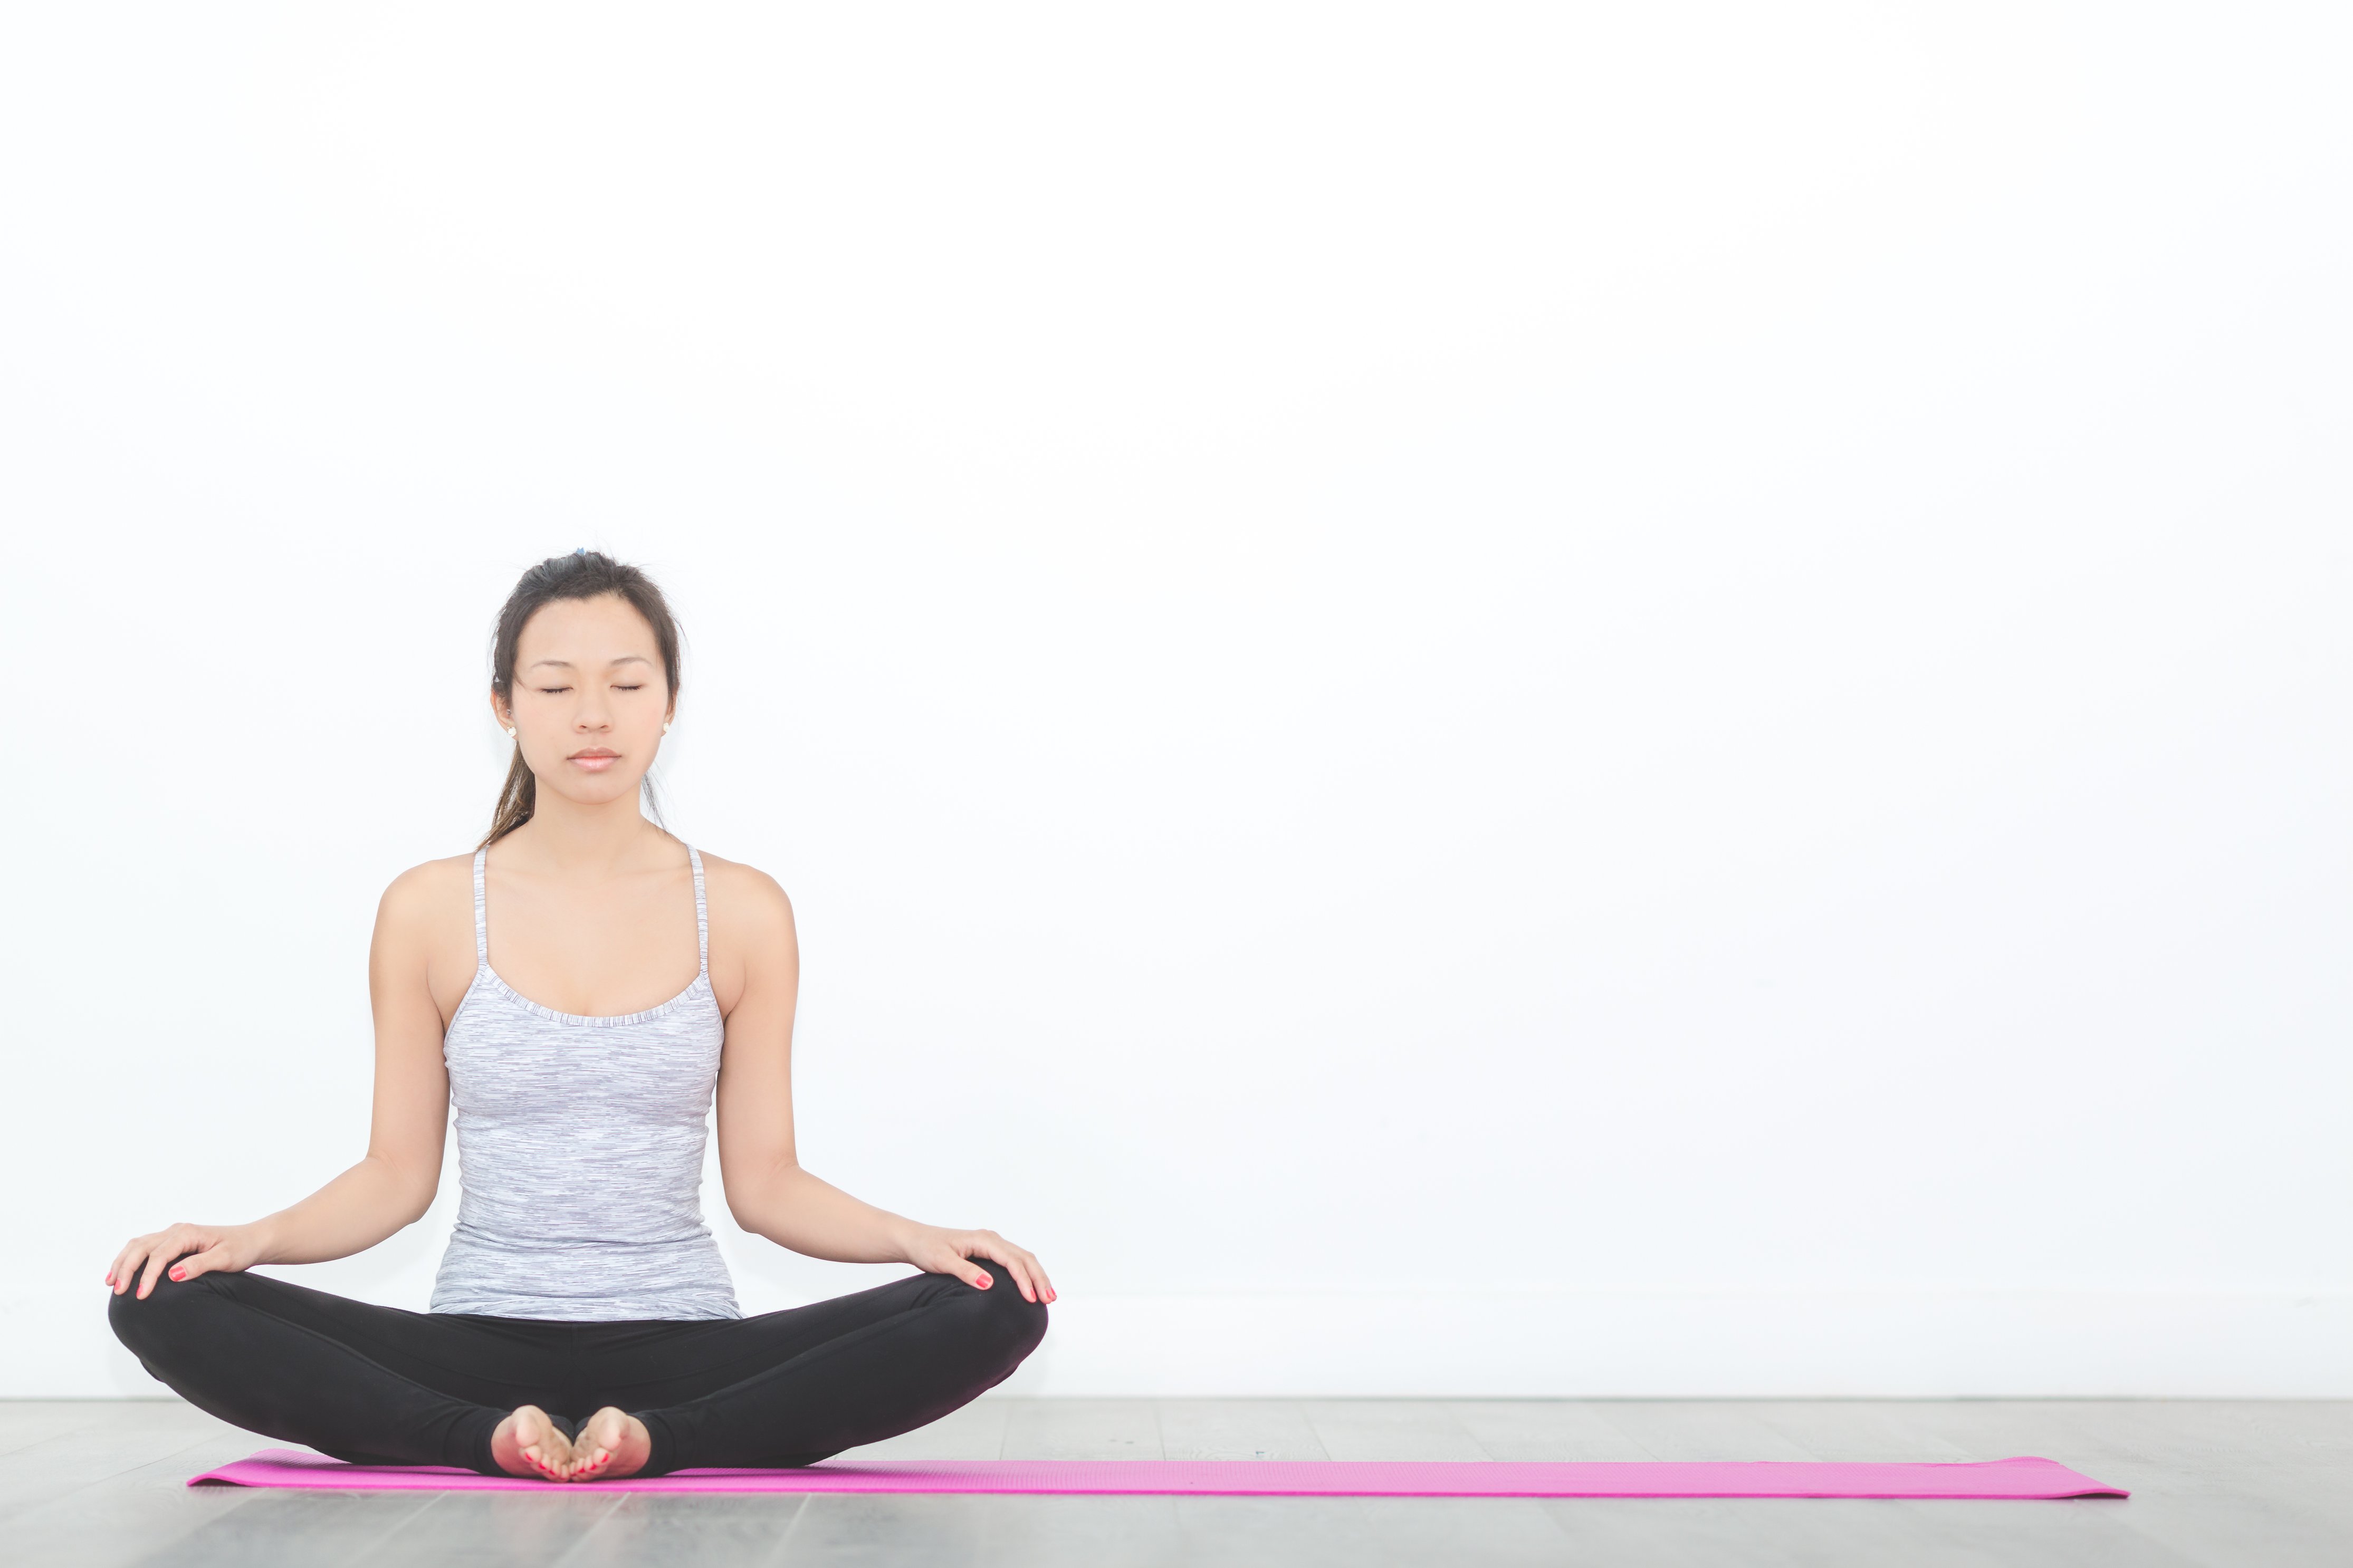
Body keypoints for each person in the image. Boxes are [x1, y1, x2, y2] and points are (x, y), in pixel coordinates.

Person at [106, 551, 1050, 1482]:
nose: (593, 715)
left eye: (626, 683)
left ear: (669, 700)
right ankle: (481, 1436)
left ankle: (658, 1435)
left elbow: (765, 1184)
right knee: (161, 1301)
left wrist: (914, 1238)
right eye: (556, 687)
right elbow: (395, 1175)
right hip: (475, 1344)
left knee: (998, 1302)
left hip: (686, 1348)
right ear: (505, 705)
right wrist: (246, 1241)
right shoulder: (429, 908)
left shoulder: (746, 910)